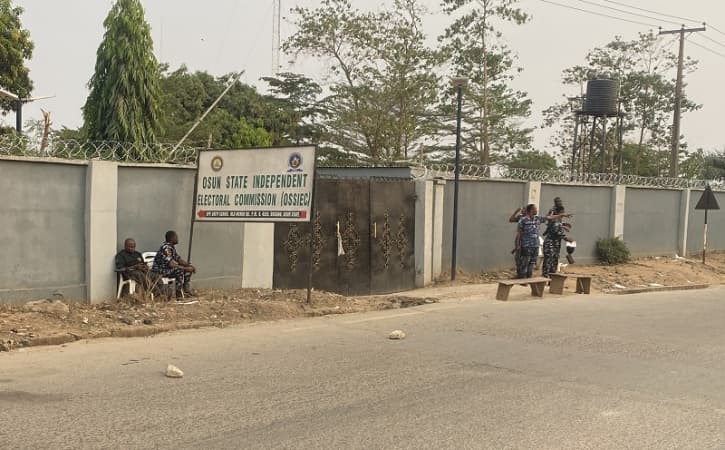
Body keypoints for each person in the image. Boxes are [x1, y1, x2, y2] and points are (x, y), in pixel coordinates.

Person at [515, 204, 570, 279]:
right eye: (535, 209)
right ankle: (522, 278)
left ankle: (528, 278)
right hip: (526, 245)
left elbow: (550, 217)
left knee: (532, 263)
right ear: (531, 210)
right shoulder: (523, 220)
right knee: (525, 263)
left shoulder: (537, 218)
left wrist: (562, 215)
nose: (537, 210)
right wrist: (517, 245)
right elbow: (519, 233)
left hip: (535, 245)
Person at [151, 230, 196, 299]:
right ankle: (178, 293)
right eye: (176, 237)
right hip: (160, 270)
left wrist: (189, 265)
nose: (177, 239)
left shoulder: (171, 247)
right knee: (179, 270)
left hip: (168, 269)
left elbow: (178, 259)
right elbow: (171, 264)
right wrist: (185, 268)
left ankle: (186, 290)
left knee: (187, 270)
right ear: (172, 238)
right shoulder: (166, 248)